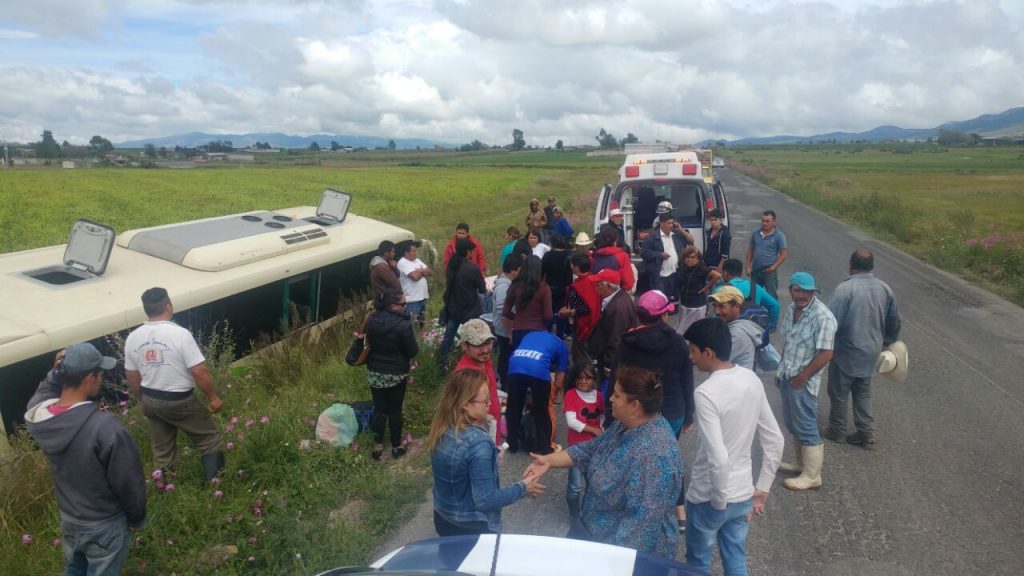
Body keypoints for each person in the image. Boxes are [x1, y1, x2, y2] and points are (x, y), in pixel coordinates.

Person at [526, 366, 683, 559]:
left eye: (616, 396)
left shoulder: (655, 458)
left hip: (615, 553)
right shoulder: (626, 423)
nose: (610, 399)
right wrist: (548, 460)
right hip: (594, 532)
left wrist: (604, 563)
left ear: (634, 405)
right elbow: (590, 449)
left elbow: (639, 531)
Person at [25, 343, 147, 576]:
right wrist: (136, 518)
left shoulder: (39, 417)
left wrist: (54, 374)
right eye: (100, 374)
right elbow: (128, 482)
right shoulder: (105, 427)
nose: (101, 379)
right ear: (90, 377)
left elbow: (42, 394)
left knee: (75, 568)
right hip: (104, 523)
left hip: (70, 518)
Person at [682, 318, 784, 576]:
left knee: (698, 563)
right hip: (742, 493)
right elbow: (775, 439)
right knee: (735, 558)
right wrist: (762, 488)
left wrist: (718, 503)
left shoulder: (706, 393)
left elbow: (718, 458)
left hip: (709, 496)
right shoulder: (750, 378)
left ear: (708, 352)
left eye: (693, 350)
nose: (691, 357)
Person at [124, 287, 225, 480]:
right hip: (180, 401)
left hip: (151, 400)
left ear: (147, 310)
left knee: (162, 452)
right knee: (209, 439)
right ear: (168, 306)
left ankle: (164, 491)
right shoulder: (180, 334)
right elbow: (199, 371)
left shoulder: (133, 338)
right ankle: (216, 489)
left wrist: (143, 400)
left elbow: (132, 378)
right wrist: (213, 397)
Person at [428, 368, 545, 536]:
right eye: (485, 401)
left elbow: (460, 467)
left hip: (443, 517)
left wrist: (489, 457)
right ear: (466, 405)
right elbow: (486, 500)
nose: (490, 404)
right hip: (471, 528)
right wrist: (523, 488)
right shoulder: (479, 444)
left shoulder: (442, 427)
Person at [614, 289, 695, 529]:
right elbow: (687, 381)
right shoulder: (679, 343)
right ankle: (679, 511)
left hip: (636, 410)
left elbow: (614, 378)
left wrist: (611, 411)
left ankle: (634, 507)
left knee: (634, 457)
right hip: (672, 410)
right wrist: (689, 414)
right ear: (663, 316)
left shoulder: (628, 342)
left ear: (639, 317)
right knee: (668, 457)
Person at [825, 249, 902, 446]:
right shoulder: (885, 289)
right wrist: (889, 342)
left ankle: (837, 430)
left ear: (851, 266)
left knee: (839, 391)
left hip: (846, 350)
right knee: (862, 390)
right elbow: (894, 320)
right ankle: (865, 431)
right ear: (872, 267)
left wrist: (823, 346)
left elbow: (830, 321)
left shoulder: (845, 290)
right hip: (872, 350)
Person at [776, 272, 837, 491]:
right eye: (798, 290)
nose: (802, 295)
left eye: (807, 291)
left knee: (806, 425)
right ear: (791, 289)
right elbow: (789, 343)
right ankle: (801, 465)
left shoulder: (823, 316)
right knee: (792, 423)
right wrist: (780, 372)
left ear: (814, 292)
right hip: (787, 376)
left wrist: (802, 378)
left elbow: (826, 354)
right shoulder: (792, 310)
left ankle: (812, 475)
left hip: (802, 382)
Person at [365, 288, 419, 460]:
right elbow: (412, 351)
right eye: (402, 304)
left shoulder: (371, 320)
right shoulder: (404, 325)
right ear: (392, 306)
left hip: (375, 372)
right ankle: (396, 445)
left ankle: (377, 444)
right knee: (395, 410)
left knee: (380, 408)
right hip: (396, 373)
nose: (405, 306)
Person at [505, 330, 568, 455]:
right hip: (538, 369)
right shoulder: (563, 347)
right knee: (544, 409)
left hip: (514, 365)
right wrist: (553, 394)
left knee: (513, 406)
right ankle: (545, 446)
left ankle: (511, 443)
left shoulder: (530, 335)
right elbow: (560, 378)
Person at [562, 362, 603, 528]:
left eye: (588, 378)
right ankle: (574, 515)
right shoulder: (571, 395)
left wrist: (601, 430)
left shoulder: (599, 396)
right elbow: (572, 422)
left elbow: (602, 417)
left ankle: (587, 512)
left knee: (592, 483)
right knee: (575, 486)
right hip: (576, 447)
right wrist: (593, 430)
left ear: (594, 379)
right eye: (580, 378)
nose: (583, 381)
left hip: (595, 447)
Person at [437, 238, 486, 374]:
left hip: (453, 309)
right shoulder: (472, 268)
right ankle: (473, 363)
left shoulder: (451, 267)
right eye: (472, 251)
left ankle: (442, 363)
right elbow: (482, 289)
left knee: (448, 337)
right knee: (473, 338)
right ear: (468, 252)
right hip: (469, 310)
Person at [455, 319, 502, 443]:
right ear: (464, 345)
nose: (486, 350)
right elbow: (459, 409)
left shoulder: (483, 359)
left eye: (488, 343)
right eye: (478, 345)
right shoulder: (466, 375)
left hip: (492, 425)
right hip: (480, 434)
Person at [586, 269, 638, 383]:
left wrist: (608, 365)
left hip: (612, 361)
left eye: (598, 285)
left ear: (609, 286)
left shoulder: (619, 307)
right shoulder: (617, 299)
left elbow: (616, 338)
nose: (596, 288)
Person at [707, 286, 765, 371]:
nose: (716, 311)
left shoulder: (736, 334)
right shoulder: (737, 323)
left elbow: (715, 364)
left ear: (737, 306)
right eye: (715, 306)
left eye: (721, 306)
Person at [560, 251, 601, 364]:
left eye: (572, 264)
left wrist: (570, 312)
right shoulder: (593, 280)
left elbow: (587, 308)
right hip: (591, 327)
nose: (571, 266)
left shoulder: (582, 284)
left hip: (583, 327)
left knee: (582, 358)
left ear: (577, 268)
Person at [502, 255, 552, 348]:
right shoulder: (544, 288)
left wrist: (518, 317)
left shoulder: (515, 286)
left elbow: (506, 312)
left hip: (518, 331)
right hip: (538, 330)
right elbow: (548, 315)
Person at [718, 258, 779, 330]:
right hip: (753, 330)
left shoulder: (721, 289)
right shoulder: (755, 287)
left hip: (730, 329)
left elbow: (717, 314)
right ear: (740, 272)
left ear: (725, 273)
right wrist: (770, 326)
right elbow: (775, 305)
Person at [490, 256, 521, 388]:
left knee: (505, 355)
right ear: (514, 271)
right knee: (505, 356)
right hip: (503, 329)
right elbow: (501, 309)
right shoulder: (503, 286)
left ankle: (503, 380)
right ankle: (503, 383)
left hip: (504, 327)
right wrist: (509, 331)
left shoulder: (507, 283)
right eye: (520, 270)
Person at [677, 246, 721, 336]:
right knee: (688, 331)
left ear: (698, 258)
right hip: (684, 304)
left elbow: (717, 275)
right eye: (687, 257)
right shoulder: (684, 267)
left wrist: (707, 286)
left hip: (696, 305)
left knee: (682, 332)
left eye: (692, 257)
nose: (689, 260)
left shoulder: (701, 268)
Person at [641, 212, 689, 296]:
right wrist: (659, 255)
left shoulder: (676, 235)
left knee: (673, 302)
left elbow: (691, 240)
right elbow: (644, 253)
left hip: (675, 274)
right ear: (661, 223)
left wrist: (680, 229)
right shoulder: (652, 237)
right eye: (669, 223)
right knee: (660, 301)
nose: (671, 225)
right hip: (660, 277)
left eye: (672, 223)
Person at [745, 210, 788, 302]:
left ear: (774, 222)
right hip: (755, 271)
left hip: (769, 272)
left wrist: (773, 267)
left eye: (767, 221)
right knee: (753, 296)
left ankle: (772, 316)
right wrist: (748, 266)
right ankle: (754, 315)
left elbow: (783, 254)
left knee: (771, 297)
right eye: (763, 220)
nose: (764, 223)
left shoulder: (779, 236)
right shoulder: (756, 233)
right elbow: (750, 250)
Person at [542, 234, 573, 338]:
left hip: (550, 287)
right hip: (565, 288)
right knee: (562, 310)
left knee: (549, 310)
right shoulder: (569, 254)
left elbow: (542, 272)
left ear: (551, 243)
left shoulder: (547, 255)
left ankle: (548, 333)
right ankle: (560, 334)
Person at [396, 240, 432, 328]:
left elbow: (430, 271)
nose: (416, 253)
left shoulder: (417, 260)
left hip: (422, 297)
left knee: (421, 324)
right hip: (412, 300)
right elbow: (415, 277)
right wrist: (423, 272)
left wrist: (420, 271)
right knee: (411, 325)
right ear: (406, 253)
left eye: (416, 251)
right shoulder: (402, 263)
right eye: (414, 251)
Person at [591, 226, 635, 292]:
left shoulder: (596, 256)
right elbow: (629, 283)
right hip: (616, 294)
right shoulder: (622, 256)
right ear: (616, 240)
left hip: (597, 294)